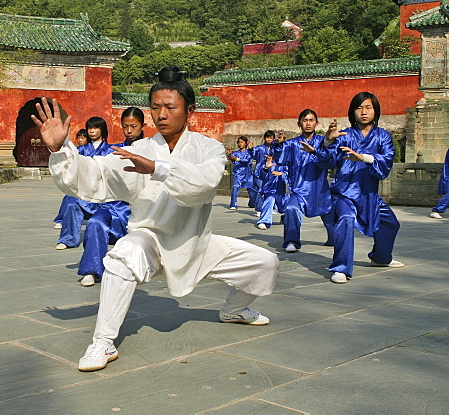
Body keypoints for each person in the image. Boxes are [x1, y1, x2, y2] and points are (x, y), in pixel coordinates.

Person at [35, 66, 278, 372]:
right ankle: (103, 342)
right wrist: (60, 150)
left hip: (195, 243)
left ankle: (233, 310)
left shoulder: (209, 148)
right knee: (123, 255)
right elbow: (95, 174)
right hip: (149, 239)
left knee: (265, 263)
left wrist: (157, 169)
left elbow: (204, 185)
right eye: (155, 108)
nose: (161, 114)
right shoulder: (138, 150)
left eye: (170, 107)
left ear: (189, 110)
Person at [317, 93, 402, 284]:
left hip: (369, 195)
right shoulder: (345, 136)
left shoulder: (383, 136)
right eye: (359, 108)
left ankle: (380, 258)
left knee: (391, 224)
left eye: (368, 108)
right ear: (352, 111)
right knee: (346, 219)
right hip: (345, 193)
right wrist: (329, 141)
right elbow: (325, 161)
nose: (363, 112)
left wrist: (363, 157)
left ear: (375, 111)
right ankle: (341, 268)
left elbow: (387, 161)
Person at [76, 110, 139, 287]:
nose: (129, 131)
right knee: (95, 223)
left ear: (143, 126)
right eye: (125, 126)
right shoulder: (114, 150)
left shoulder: (153, 149)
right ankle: (91, 270)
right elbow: (95, 168)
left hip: (141, 208)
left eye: (133, 126)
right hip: (112, 205)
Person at [276, 109, 334, 252]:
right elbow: (280, 160)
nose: (308, 123)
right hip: (299, 188)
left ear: (316, 123)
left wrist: (315, 151)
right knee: (291, 209)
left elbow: (330, 160)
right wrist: (279, 146)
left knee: (330, 216)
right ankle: (292, 241)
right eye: (305, 120)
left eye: (311, 120)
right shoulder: (291, 144)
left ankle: (334, 238)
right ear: (299, 123)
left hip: (319, 188)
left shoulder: (322, 142)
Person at [55, 117, 110, 250]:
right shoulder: (81, 150)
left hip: (104, 193)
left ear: (102, 130)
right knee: (72, 203)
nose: (92, 131)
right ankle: (68, 239)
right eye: (89, 128)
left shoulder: (110, 150)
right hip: (85, 190)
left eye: (95, 128)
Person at [53, 129, 90, 229]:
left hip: (91, 181)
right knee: (69, 197)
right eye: (78, 138)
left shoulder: (93, 150)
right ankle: (61, 219)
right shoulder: (76, 150)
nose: (80, 140)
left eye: (83, 138)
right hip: (79, 181)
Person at [254, 154, 287, 231]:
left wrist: (282, 174)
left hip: (282, 192)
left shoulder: (286, 163)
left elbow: (292, 176)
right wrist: (265, 168)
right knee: (270, 199)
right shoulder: (265, 163)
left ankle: (285, 218)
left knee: (287, 207)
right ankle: (264, 221)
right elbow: (258, 175)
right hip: (269, 190)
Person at [249, 131, 277, 209]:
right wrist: (251, 149)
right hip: (260, 170)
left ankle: (270, 207)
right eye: (267, 137)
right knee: (261, 189)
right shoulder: (259, 148)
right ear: (264, 138)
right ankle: (259, 208)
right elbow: (253, 154)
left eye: (271, 138)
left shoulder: (275, 148)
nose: (269, 139)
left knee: (271, 189)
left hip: (271, 171)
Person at [227, 137, 254, 210]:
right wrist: (230, 156)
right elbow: (233, 159)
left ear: (245, 143)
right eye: (239, 142)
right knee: (235, 187)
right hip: (238, 173)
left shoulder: (249, 152)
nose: (240, 144)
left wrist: (237, 159)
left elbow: (247, 161)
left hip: (248, 174)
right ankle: (233, 204)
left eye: (242, 142)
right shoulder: (236, 153)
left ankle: (252, 203)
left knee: (252, 190)